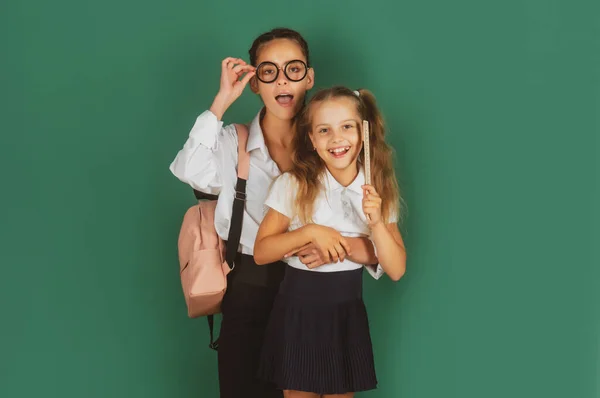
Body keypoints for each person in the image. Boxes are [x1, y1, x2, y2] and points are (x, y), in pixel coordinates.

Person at [169, 29, 378, 398]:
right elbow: (188, 169)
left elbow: (364, 227)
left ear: (309, 78)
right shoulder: (234, 142)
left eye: (293, 69)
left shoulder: (328, 144)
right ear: (255, 83)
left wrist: (337, 243)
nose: (282, 79)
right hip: (251, 285)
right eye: (269, 71)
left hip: (313, 289)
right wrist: (220, 102)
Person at [254, 86, 407, 398]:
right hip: (298, 315)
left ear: (363, 133)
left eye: (347, 127)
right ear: (312, 139)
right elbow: (261, 252)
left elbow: (397, 268)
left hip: (346, 315)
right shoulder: (293, 184)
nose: (337, 139)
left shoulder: (376, 190)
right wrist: (312, 232)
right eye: (324, 130)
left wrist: (375, 223)